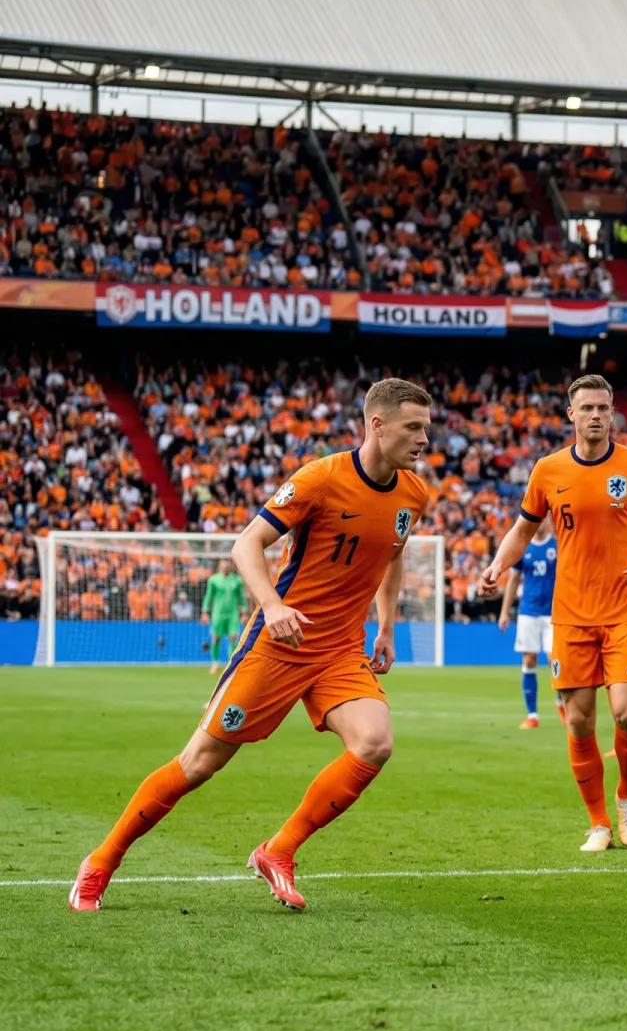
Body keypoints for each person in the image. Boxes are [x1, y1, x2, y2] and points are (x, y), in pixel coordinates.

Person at [71, 379, 435, 913]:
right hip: (280, 643)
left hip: (340, 649)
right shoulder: (320, 478)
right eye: (414, 427)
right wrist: (272, 605)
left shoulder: (414, 493)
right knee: (199, 763)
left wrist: (385, 627)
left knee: (374, 742)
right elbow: (247, 544)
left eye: (426, 427)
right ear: (377, 425)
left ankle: (278, 851)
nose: (424, 438)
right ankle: (100, 862)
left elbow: (392, 555)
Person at [478, 374, 627, 853]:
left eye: (603, 408)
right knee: (579, 723)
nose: (595, 415)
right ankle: (598, 824)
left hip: (625, 612)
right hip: (568, 616)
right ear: (570, 414)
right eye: (586, 407)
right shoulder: (547, 470)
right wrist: (496, 564)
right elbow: (522, 530)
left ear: (613, 413)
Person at [497, 520, 557, 729]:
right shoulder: (524, 548)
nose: (539, 522)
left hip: (554, 613)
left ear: (548, 520)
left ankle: (561, 704)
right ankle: (532, 716)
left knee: (554, 660)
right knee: (529, 660)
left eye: (542, 518)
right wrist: (505, 612)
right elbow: (513, 580)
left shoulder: (557, 546)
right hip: (528, 612)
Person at [200, 556, 247, 676]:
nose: (226, 566)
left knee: (233, 637)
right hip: (218, 614)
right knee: (216, 638)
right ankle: (215, 663)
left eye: (228, 564)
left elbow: (241, 597)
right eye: (224, 564)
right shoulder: (213, 580)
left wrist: (244, 612)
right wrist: (205, 612)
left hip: (233, 614)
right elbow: (208, 596)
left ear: (231, 566)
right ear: (220, 566)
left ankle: (231, 664)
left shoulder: (237, 580)